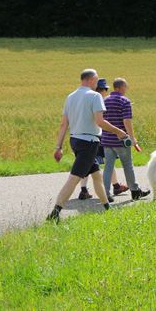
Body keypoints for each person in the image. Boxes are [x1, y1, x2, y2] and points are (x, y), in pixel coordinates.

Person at [47, 69, 131, 223]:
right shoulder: (95, 96)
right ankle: (54, 214)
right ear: (92, 80)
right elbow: (100, 122)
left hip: (75, 141)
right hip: (89, 143)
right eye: (97, 80)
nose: (97, 83)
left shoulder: (70, 97)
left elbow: (63, 125)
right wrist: (120, 132)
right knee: (74, 179)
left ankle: (107, 208)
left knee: (97, 175)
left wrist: (58, 147)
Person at [100, 78, 150, 200]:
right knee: (127, 165)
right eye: (126, 87)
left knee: (108, 167)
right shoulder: (125, 101)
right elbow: (126, 121)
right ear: (122, 87)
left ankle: (105, 193)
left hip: (106, 139)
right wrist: (132, 139)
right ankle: (134, 190)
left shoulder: (105, 100)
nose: (126, 89)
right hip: (120, 140)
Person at [78, 78, 125, 200]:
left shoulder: (87, 100)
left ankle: (83, 190)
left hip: (84, 136)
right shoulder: (98, 101)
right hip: (99, 137)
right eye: (105, 90)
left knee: (86, 164)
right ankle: (114, 187)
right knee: (109, 161)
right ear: (103, 90)